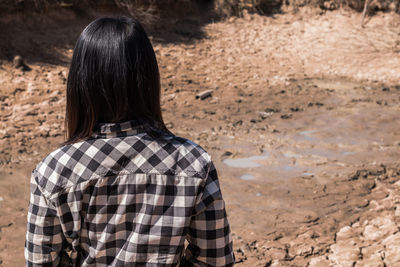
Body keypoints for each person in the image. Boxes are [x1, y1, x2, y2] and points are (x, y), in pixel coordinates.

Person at [24, 16, 234, 266]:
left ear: (80, 83)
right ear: (148, 79)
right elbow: (215, 259)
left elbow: (40, 262)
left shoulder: (53, 171)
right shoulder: (195, 162)